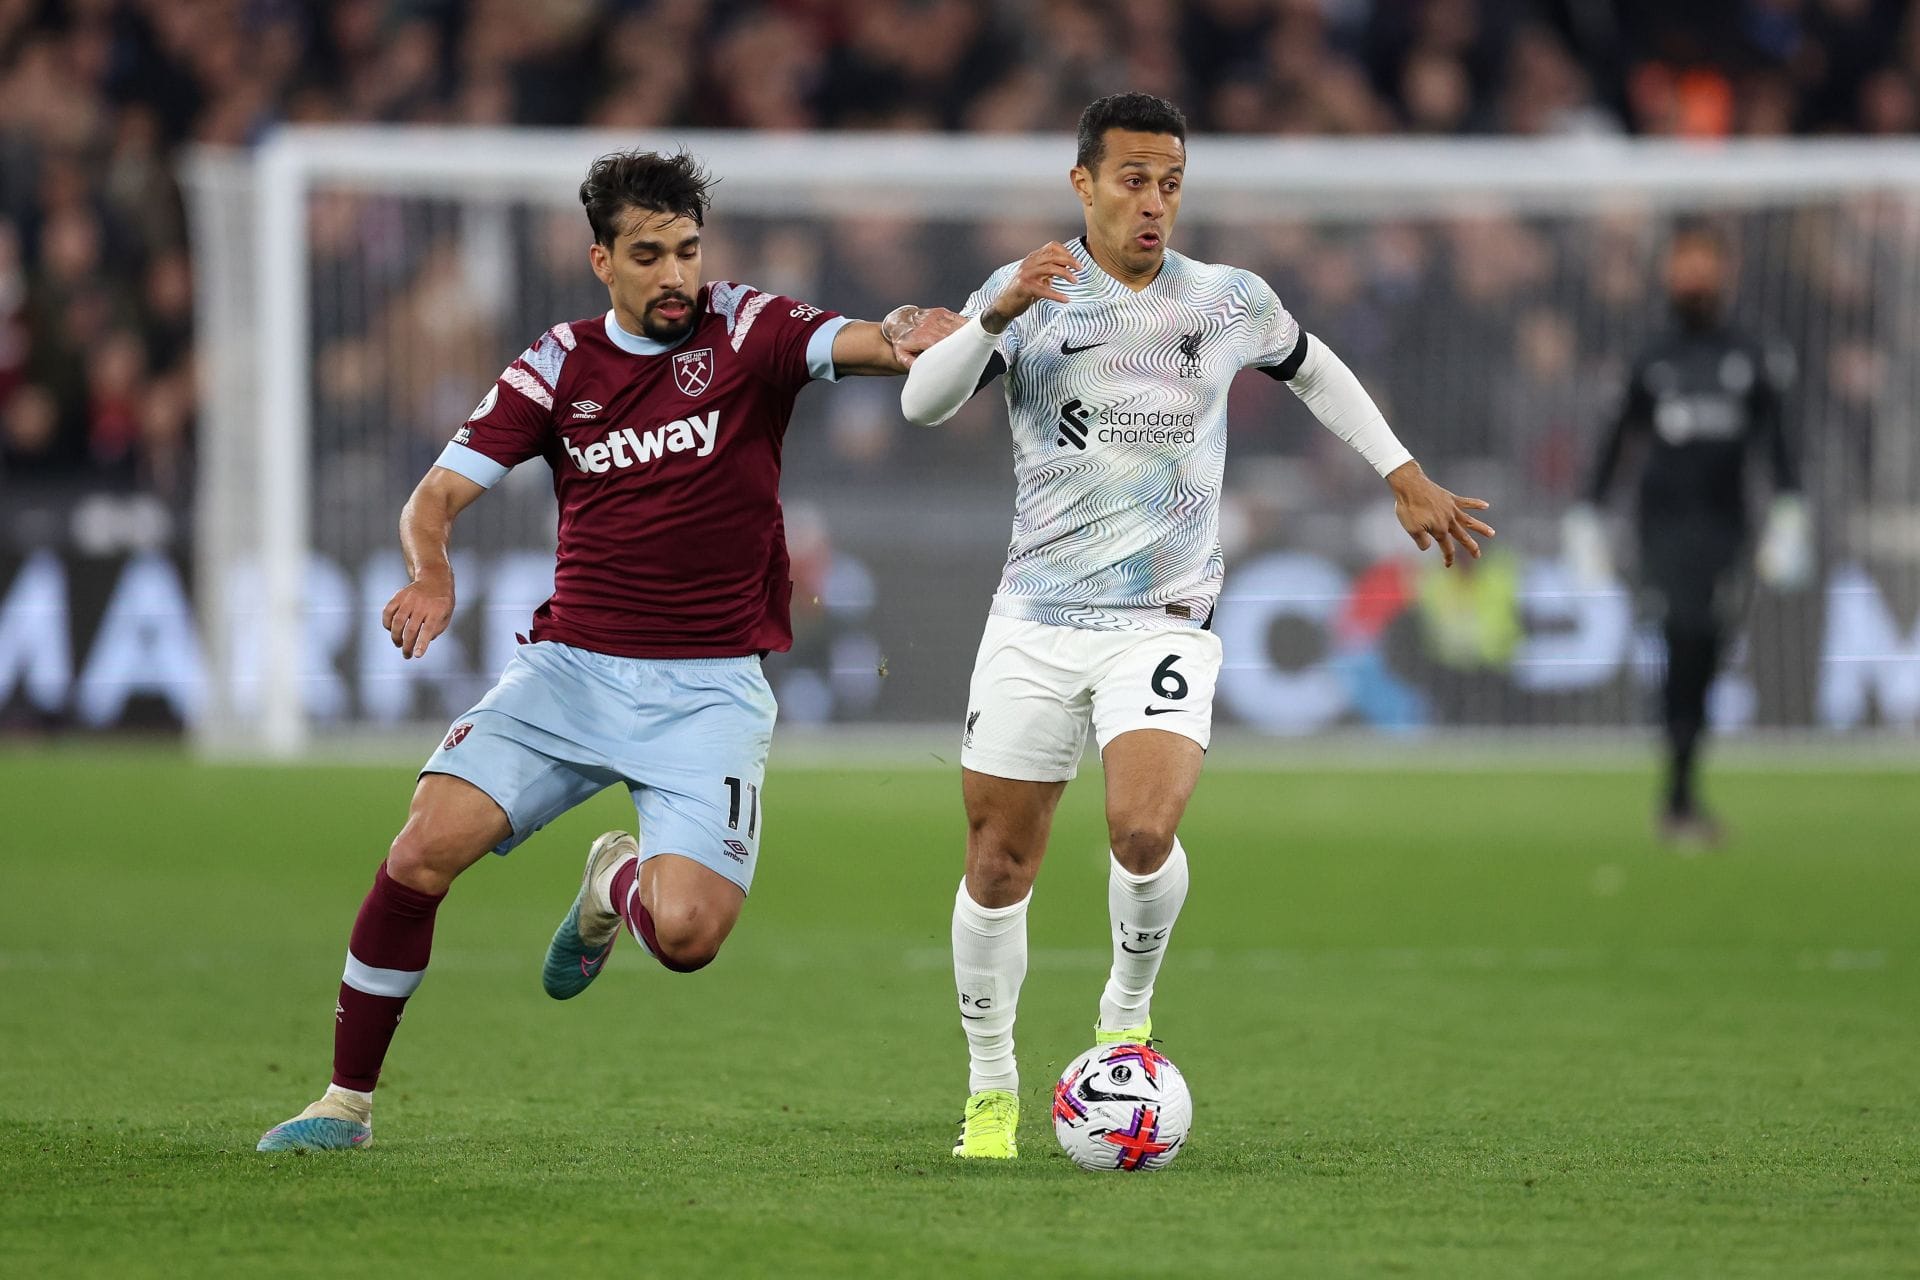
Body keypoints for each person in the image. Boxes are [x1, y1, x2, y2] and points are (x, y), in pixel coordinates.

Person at [258, 149, 959, 1152]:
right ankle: (344, 1103)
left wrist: (903, 332)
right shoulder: (557, 365)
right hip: (572, 669)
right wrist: (432, 572)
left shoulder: (747, 328)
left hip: (710, 690)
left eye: (688, 250)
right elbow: (435, 497)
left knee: (686, 937)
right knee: (419, 849)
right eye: (649, 254)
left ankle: (612, 882)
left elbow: (860, 341)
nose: (677, 274)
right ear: (603, 262)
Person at [900, 93, 1494, 1159]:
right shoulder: (1028, 291)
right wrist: (991, 315)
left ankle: (1125, 1012)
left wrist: (1402, 474)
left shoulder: (1226, 301)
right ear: (1083, 184)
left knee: (1144, 828)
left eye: (1171, 182)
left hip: (1161, 618)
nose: (1154, 203)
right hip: (1035, 616)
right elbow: (921, 404)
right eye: (1133, 179)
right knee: (999, 861)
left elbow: (1314, 367)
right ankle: (991, 1089)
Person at [1564, 220, 1807, 848]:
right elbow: (1618, 440)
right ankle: (1677, 791)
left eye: (1703, 262)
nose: (1692, 275)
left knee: (1708, 649)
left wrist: (1789, 514)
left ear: (1724, 270)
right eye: (1683, 262)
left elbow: (1778, 447)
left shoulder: (1753, 354)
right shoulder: (1652, 356)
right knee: (1683, 634)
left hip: (1728, 528)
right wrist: (1588, 512)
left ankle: (1681, 783)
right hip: (1664, 526)